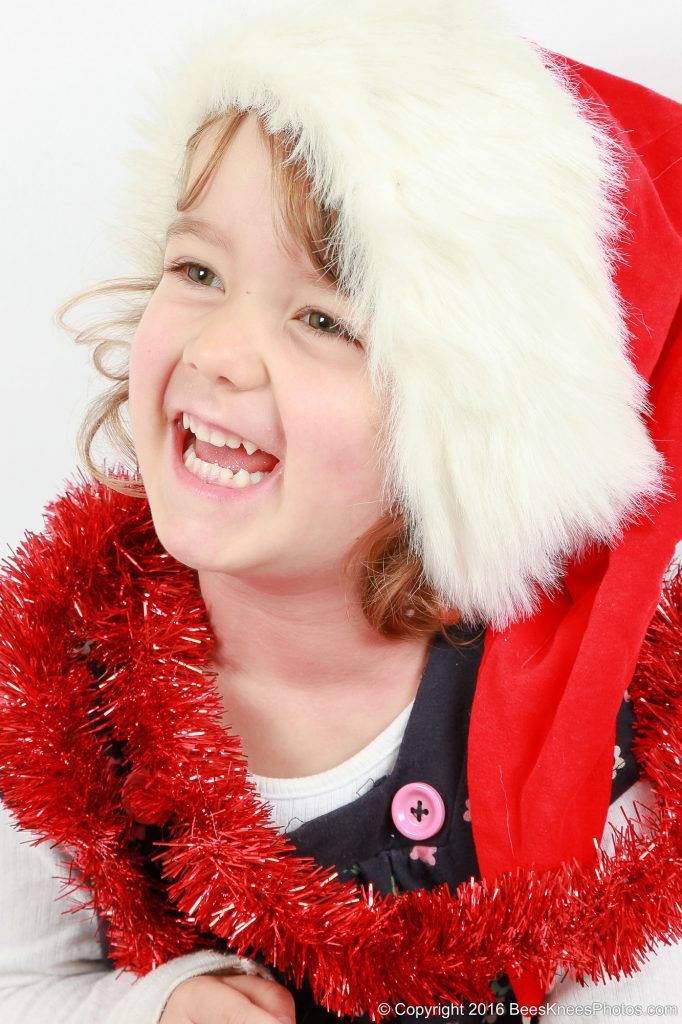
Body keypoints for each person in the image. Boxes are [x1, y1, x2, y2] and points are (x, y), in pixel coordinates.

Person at [0, 1, 681, 1022]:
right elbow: (18, 983)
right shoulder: (58, 685)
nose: (219, 350)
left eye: (323, 318)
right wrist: (156, 1008)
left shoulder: (592, 746)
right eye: (197, 270)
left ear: (472, 434)